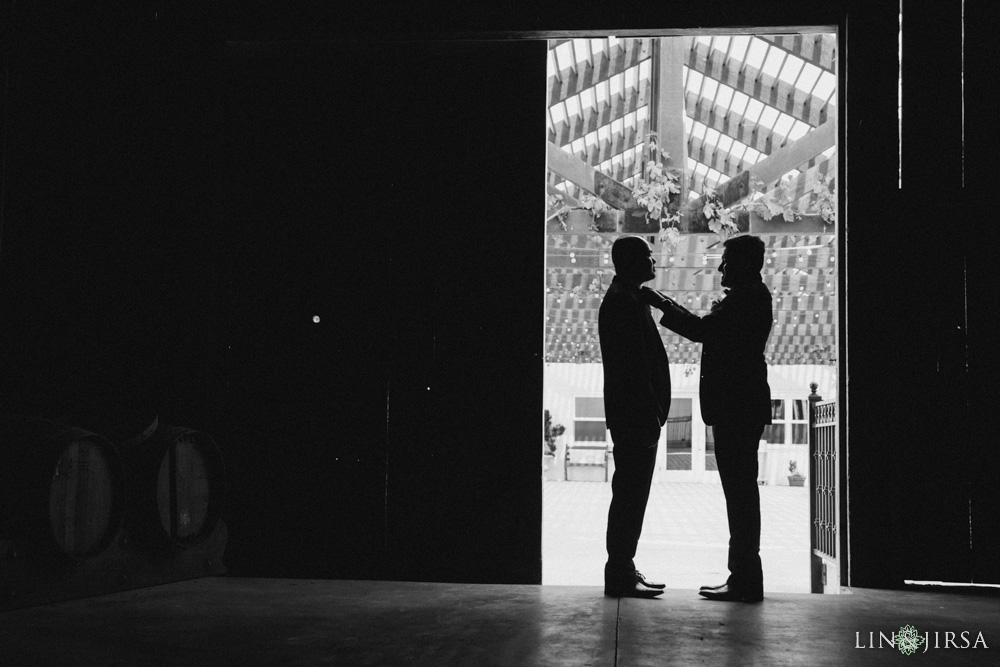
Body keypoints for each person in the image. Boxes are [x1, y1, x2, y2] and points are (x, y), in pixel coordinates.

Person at [640, 234, 772, 603]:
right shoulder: (749, 298)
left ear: (745, 264)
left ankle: (745, 578)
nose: (720, 268)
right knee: (741, 493)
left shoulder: (747, 299)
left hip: (738, 408)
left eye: (727, 261)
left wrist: (660, 301)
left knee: (741, 495)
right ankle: (743, 575)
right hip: (740, 408)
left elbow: (703, 331)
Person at [598, 235, 671, 598]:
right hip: (636, 417)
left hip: (636, 416)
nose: (653, 260)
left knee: (629, 493)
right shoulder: (624, 303)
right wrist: (652, 413)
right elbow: (634, 368)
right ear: (628, 262)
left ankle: (623, 568)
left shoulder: (628, 298)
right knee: (630, 495)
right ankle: (621, 572)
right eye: (647, 255)